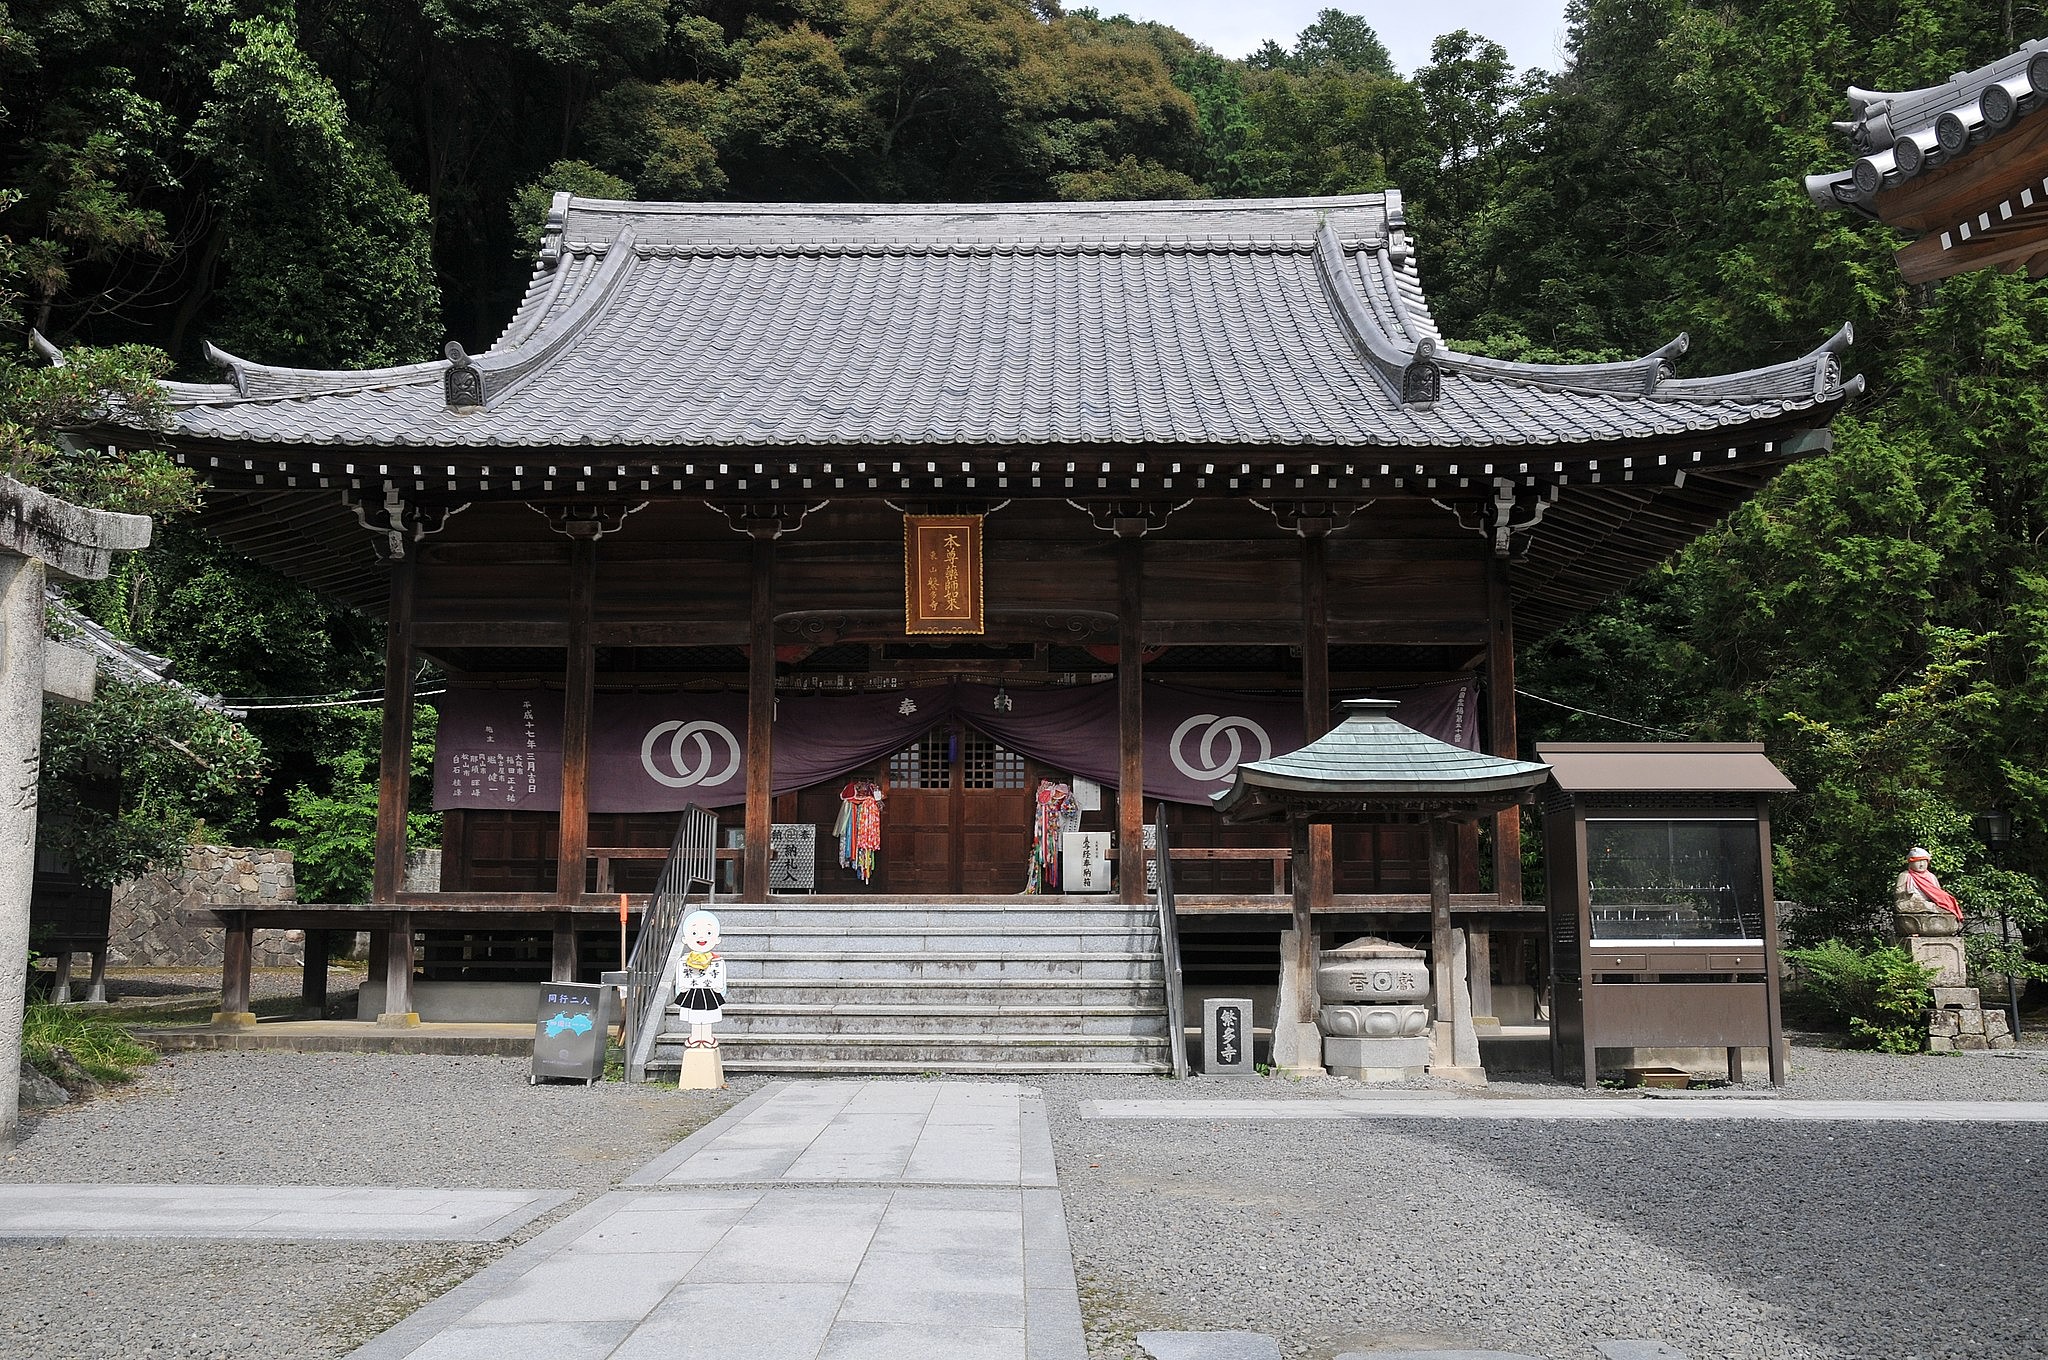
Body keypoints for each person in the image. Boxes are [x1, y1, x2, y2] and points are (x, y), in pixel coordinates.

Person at [675, 909, 727, 1048]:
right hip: (692, 991)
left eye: (709, 933)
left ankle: (707, 1036)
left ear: (717, 939)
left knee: (708, 1013)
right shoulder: (684, 960)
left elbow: (721, 977)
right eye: (694, 933)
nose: (702, 937)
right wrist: (681, 988)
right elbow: (680, 976)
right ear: (685, 939)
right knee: (695, 1014)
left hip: (709, 991)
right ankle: (696, 1036)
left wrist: (720, 988)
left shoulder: (717, 960)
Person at [1894, 846, 1963, 924]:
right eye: (1918, 862)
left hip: (1928, 903)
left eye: (1924, 862)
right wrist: (1906, 894)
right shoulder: (1905, 875)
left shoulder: (1931, 877)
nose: (1921, 865)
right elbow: (1898, 894)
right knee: (1902, 907)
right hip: (1912, 903)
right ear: (1911, 863)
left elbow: (1937, 895)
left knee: (1947, 909)